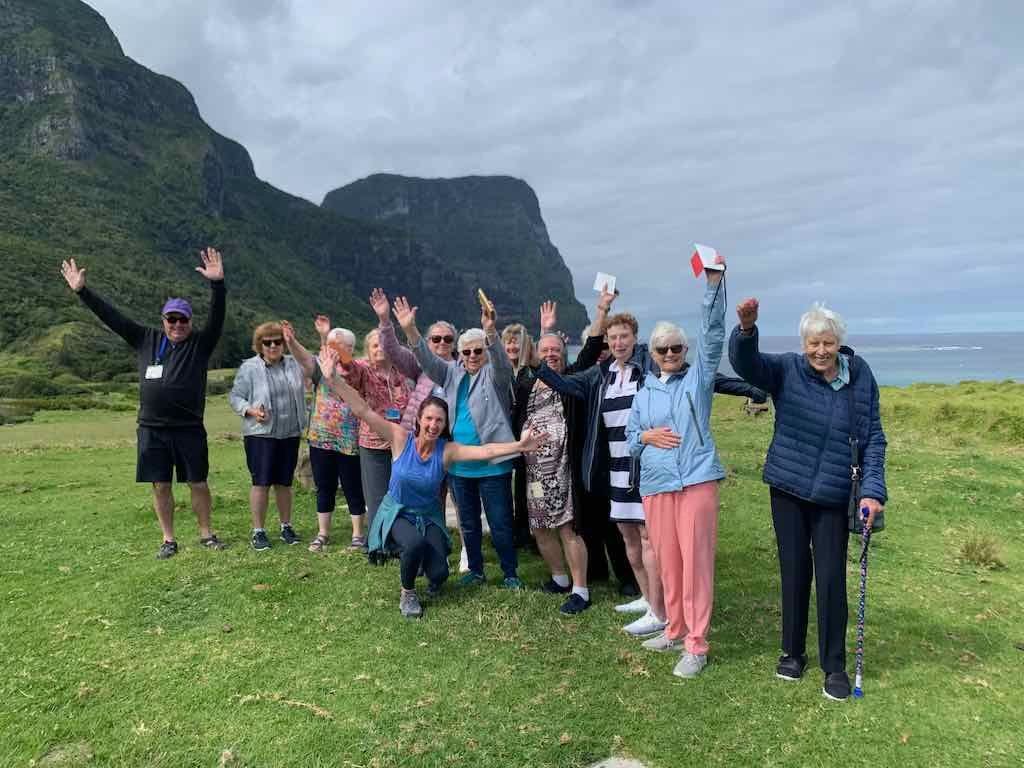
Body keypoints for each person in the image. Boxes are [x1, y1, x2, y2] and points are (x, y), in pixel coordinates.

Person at [729, 298, 887, 702]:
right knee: (795, 571)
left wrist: (873, 490)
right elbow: (748, 366)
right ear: (804, 344)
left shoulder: (860, 376)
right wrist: (747, 331)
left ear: (839, 343)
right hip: (789, 488)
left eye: (828, 343)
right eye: (813, 343)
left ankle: (833, 665)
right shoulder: (788, 369)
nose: (820, 351)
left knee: (832, 578)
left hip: (835, 493)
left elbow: (873, 438)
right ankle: (792, 652)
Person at [317, 347, 546, 618]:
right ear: (418, 419)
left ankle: (421, 556)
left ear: (445, 423)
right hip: (398, 512)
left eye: (439, 420)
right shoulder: (399, 438)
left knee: (439, 574)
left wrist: (519, 446)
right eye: (429, 418)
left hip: (429, 516)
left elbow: (486, 451)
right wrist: (333, 379)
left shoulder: (447, 450)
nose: (433, 425)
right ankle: (408, 593)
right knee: (413, 544)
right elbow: (362, 409)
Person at [59, 249, 227, 559]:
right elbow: (112, 317)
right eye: (171, 318)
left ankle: (206, 534)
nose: (177, 324)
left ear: (190, 321)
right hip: (152, 430)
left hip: (189, 428)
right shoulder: (145, 339)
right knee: (160, 485)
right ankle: (168, 539)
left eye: (182, 319)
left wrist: (217, 285)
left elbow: (217, 319)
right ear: (164, 319)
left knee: (198, 482)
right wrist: (83, 291)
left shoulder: (200, 345)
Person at [535, 289, 667, 638]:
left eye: (624, 336)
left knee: (648, 537)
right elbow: (562, 381)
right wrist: (536, 362)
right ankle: (647, 597)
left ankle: (660, 610)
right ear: (606, 341)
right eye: (613, 337)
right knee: (629, 537)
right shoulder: (602, 375)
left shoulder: (647, 369)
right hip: (615, 468)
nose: (619, 342)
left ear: (635, 339)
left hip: (646, 465)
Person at [626, 261, 727, 678]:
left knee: (695, 563)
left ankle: (696, 645)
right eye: (662, 349)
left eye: (676, 348)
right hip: (655, 485)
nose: (670, 354)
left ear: (685, 352)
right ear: (651, 355)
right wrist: (647, 437)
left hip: (695, 481)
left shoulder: (697, 381)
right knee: (668, 562)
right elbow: (631, 438)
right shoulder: (643, 391)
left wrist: (714, 285)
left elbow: (714, 335)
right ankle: (674, 627)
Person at [392, 292, 524, 589]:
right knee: (468, 523)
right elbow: (425, 358)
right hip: (460, 466)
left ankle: (510, 573)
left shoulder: (496, 374)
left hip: (493, 464)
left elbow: (503, 361)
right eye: (466, 352)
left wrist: (490, 331)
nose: (473, 357)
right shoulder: (451, 373)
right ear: (460, 355)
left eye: (478, 351)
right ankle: (475, 570)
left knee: (501, 522)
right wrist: (410, 329)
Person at [512, 308, 605, 614]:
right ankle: (559, 577)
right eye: (545, 350)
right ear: (536, 354)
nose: (550, 355)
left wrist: (602, 309)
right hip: (534, 473)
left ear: (565, 356)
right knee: (540, 526)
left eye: (556, 350)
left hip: (564, 469)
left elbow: (591, 349)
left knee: (568, 528)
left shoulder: (572, 378)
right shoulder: (526, 384)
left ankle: (581, 590)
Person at [229, 321, 311, 550]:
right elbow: (235, 397)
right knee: (261, 482)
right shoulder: (249, 368)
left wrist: (294, 341)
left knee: (284, 483)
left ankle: (286, 526)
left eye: (278, 341)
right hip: (260, 434)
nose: (273, 346)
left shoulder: (294, 364)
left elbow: (313, 364)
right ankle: (259, 531)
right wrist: (252, 411)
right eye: (268, 342)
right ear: (260, 345)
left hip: (290, 432)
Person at [336, 325, 412, 546]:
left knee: (400, 493)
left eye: (383, 344)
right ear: (368, 350)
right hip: (373, 443)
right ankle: (378, 543)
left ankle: (400, 539)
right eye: (374, 345)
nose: (380, 349)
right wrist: (341, 352)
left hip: (402, 443)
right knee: (377, 496)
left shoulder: (401, 372)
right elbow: (349, 370)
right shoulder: (364, 370)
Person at [300, 317, 368, 552]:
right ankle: (323, 533)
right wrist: (322, 337)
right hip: (320, 436)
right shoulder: (320, 365)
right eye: (333, 345)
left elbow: (345, 365)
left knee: (352, 486)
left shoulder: (358, 368)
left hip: (349, 438)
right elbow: (313, 360)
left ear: (350, 347)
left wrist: (330, 339)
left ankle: (358, 534)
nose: (335, 349)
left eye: (341, 345)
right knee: (324, 485)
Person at [504, 304, 557, 550]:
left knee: (531, 483)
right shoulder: (503, 372)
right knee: (513, 485)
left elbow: (544, 366)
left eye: (517, 342)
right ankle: (516, 531)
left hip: (530, 434)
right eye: (508, 343)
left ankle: (535, 534)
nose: (513, 347)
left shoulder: (529, 371)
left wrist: (546, 328)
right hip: (507, 435)